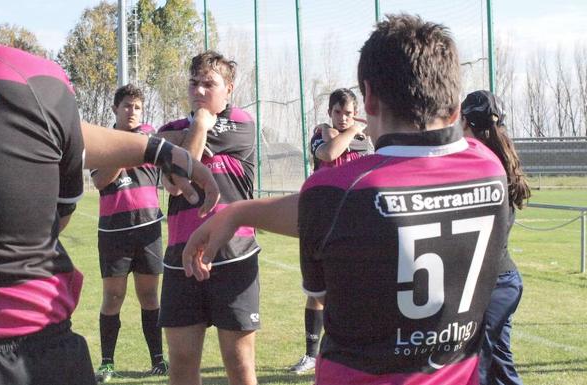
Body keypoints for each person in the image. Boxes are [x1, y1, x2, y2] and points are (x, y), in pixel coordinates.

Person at [182, 14, 512, 385]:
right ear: (453, 104)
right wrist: (239, 211)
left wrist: (236, 213)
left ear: (368, 98)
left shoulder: (339, 188)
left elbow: (327, 209)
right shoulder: (489, 167)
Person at [0, 2, 218, 384]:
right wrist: (161, 150)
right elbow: (61, 210)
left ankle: (151, 357)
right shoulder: (36, 79)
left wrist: (156, 148)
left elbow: (72, 136)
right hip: (22, 348)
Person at [157, 51, 260, 385]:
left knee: (239, 363)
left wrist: (193, 133)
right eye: (194, 83)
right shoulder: (169, 129)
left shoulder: (242, 123)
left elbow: (180, 161)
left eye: (209, 84)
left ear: (228, 89)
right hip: (179, 259)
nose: (199, 91)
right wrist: (198, 128)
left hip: (235, 255)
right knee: (183, 364)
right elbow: (175, 184)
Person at [290, 87, 370, 374]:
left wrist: (359, 132)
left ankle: (357, 352)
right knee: (317, 290)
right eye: (338, 112)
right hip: (323, 220)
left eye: (349, 113)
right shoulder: (319, 134)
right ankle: (311, 355)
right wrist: (349, 132)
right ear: (329, 112)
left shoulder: (367, 141)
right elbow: (331, 151)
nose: (344, 118)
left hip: (357, 223)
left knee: (358, 290)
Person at [91, 84, 167, 382]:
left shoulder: (150, 139)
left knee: (149, 295)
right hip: (113, 232)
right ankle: (107, 363)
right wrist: (125, 149)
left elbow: (169, 171)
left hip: (148, 229)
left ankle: (158, 362)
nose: (132, 112)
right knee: (113, 297)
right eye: (126, 106)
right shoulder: (102, 142)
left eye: (137, 107)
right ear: (115, 109)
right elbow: (99, 181)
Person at [460, 90, 529, 385]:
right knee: (500, 363)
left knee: (481, 369)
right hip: (502, 280)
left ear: (465, 120)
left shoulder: (479, 163)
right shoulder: (498, 159)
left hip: (491, 284)